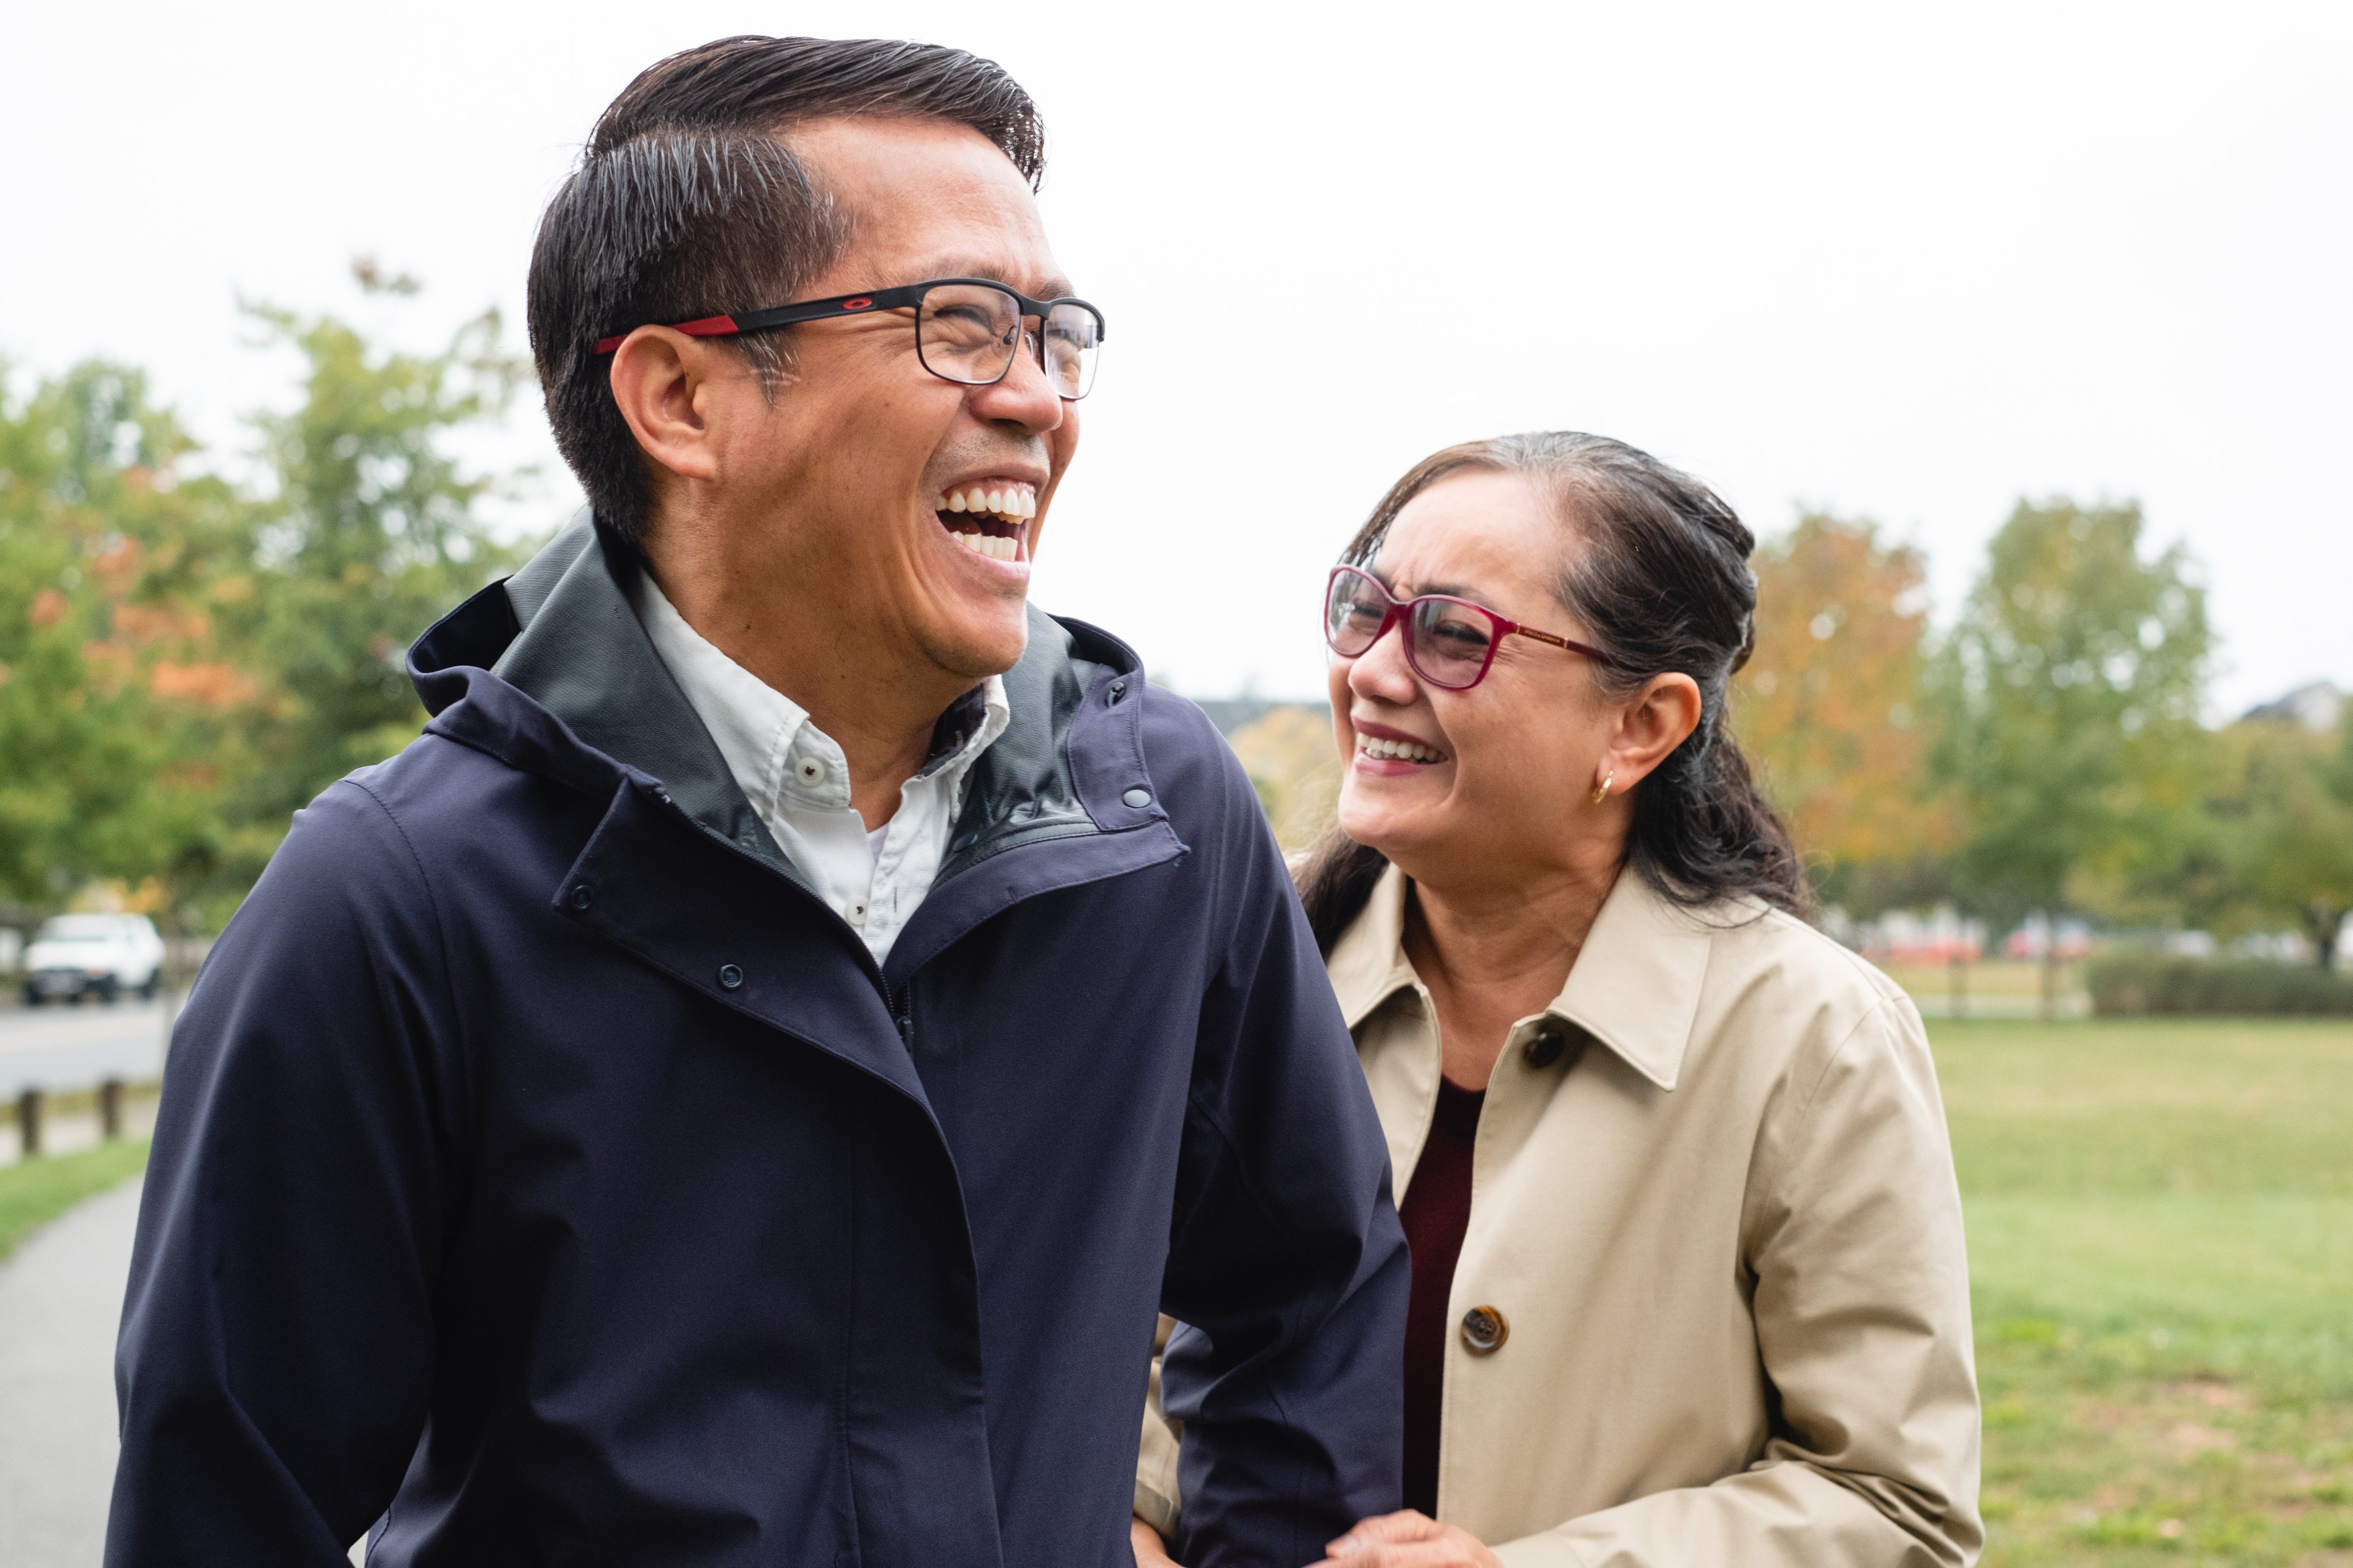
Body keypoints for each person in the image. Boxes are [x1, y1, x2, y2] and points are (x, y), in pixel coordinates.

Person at [109, 37, 1407, 1567]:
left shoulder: (1156, 811)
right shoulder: (393, 903)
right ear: (678, 396)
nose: (1039, 399)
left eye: (1054, 334)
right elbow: (222, 1512)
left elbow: (1307, 1286)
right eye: (960, 325)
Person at [1134, 432, 1981, 1567]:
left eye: (1452, 634)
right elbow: (1094, 1377)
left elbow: (1893, 1503)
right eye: (1365, 609)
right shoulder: (1235, 971)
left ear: (1640, 726)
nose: (1374, 671)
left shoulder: (1814, 1037)